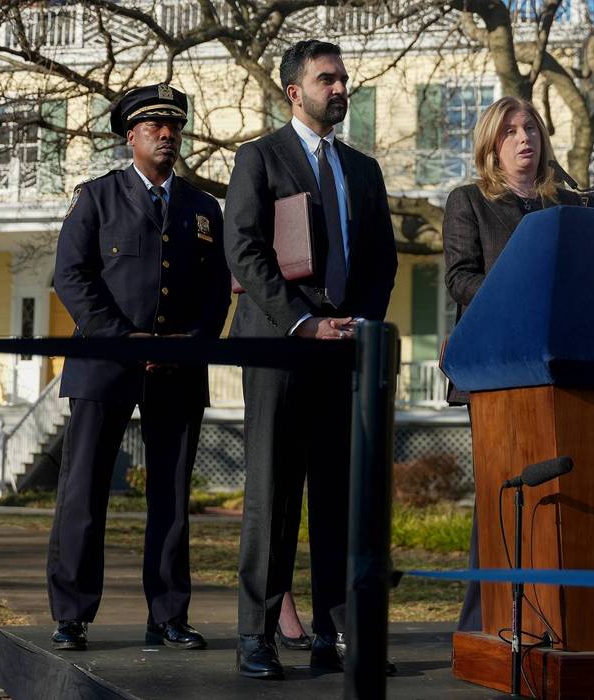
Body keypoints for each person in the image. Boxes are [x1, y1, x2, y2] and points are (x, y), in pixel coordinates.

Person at [224, 39, 398, 680]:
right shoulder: (259, 159)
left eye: (345, 79)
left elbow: (382, 259)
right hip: (279, 346)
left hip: (344, 352)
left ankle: (334, 632)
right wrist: (303, 321)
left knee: (337, 496)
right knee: (272, 493)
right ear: (294, 92)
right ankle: (256, 635)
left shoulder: (364, 170)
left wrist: (356, 324)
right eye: (327, 79)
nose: (340, 88)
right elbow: (243, 251)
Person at [47, 83, 231, 652]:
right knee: (84, 490)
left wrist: (187, 342)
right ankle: (72, 615)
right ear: (131, 135)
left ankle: (169, 615)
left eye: (174, 126)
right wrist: (124, 337)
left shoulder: (203, 208)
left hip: (177, 367)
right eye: (155, 126)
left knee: (172, 497)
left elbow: (217, 290)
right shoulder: (97, 198)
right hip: (105, 363)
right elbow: (71, 277)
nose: (167, 135)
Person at [442, 96, 594, 633]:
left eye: (530, 128)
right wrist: (521, 299)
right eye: (510, 131)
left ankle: (553, 617)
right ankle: (483, 623)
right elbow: (461, 277)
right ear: (491, 144)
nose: (523, 138)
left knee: (561, 498)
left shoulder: (569, 206)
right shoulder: (469, 201)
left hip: (562, 373)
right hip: (497, 372)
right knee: (500, 494)